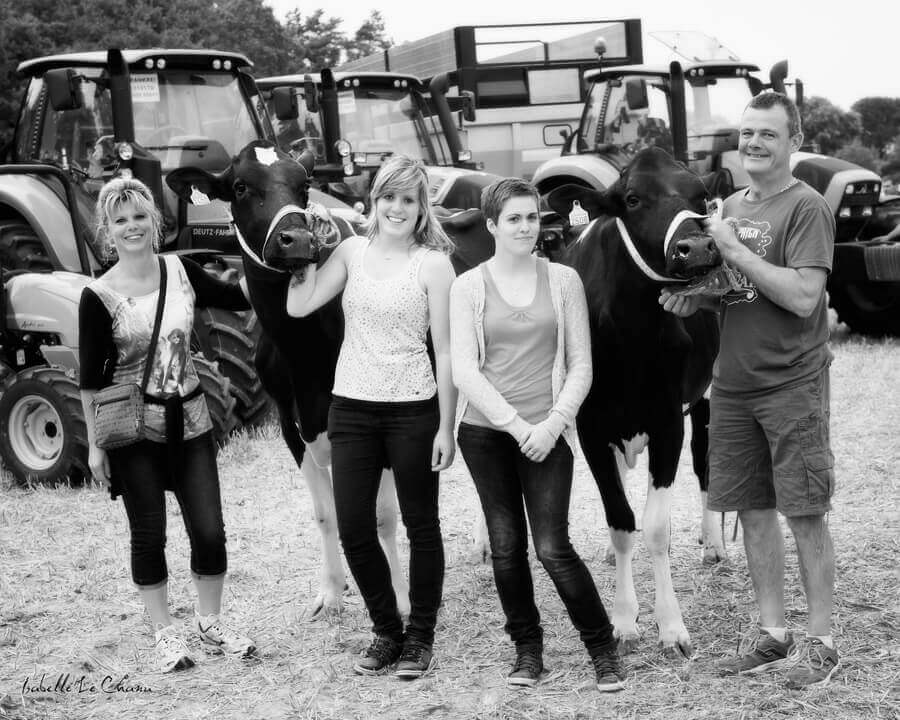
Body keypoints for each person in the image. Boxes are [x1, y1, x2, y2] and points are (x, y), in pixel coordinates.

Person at [660, 92, 839, 688]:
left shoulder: (807, 208)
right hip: (731, 387)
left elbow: (804, 296)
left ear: (792, 142)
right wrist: (695, 296)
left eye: (768, 133)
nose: (754, 143)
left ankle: (821, 640)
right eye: (747, 133)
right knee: (753, 511)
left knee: (804, 512)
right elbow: (734, 288)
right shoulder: (731, 205)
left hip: (792, 383)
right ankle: (773, 634)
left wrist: (733, 245)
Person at [450, 177, 626, 692]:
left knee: (553, 547)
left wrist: (550, 426)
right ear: (491, 225)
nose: (525, 227)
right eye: (514, 219)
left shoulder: (563, 280)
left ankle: (601, 649)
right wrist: (515, 425)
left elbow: (581, 366)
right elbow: (465, 370)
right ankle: (528, 652)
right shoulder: (469, 286)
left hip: (548, 434)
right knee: (505, 547)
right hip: (485, 433)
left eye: (532, 218)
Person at [285, 155, 457, 679]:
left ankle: (420, 638)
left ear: (421, 205)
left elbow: (446, 351)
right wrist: (305, 256)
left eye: (408, 198)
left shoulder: (434, 264)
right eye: (389, 196)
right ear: (374, 201)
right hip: (353, 408)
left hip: (413, 409)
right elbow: (299, 306)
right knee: (355, 526)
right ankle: (387, 631)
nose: (397, 207)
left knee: (420, 525)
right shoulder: (352, 252)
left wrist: (447, 426)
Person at [79, 177, 255, 673]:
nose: (131, 226)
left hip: (192, 419)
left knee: (210, 530)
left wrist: (268, 259)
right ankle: (163, 633)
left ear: (154, 222)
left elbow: (236, 298)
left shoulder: (181, 270)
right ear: (107, 231)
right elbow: (90, 381)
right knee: (148, 534)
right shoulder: (98, 295)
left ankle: (209, 621)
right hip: (134, 431)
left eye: (139, 216)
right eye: (120, 220)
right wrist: (95, 447)